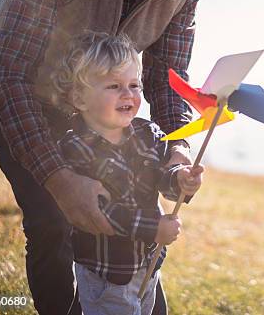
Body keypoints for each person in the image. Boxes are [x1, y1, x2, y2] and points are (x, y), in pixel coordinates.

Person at [0, 0, 236, 314]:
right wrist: (59, 180)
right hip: (22, 91)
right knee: (54, 220)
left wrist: (179, 145)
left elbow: (169, 77)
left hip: (102, 105)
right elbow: (12, 74)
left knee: (131, 209)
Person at [51, 32, 203, 315]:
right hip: (107, 275)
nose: (128, 94)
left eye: (134, 85)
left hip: (146, 266)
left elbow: (164, 179)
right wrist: (153, 229)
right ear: (80, 97)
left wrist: (182, 179)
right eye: (114, 85)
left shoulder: (148, 134)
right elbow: (102, 212)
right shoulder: (76, 148)